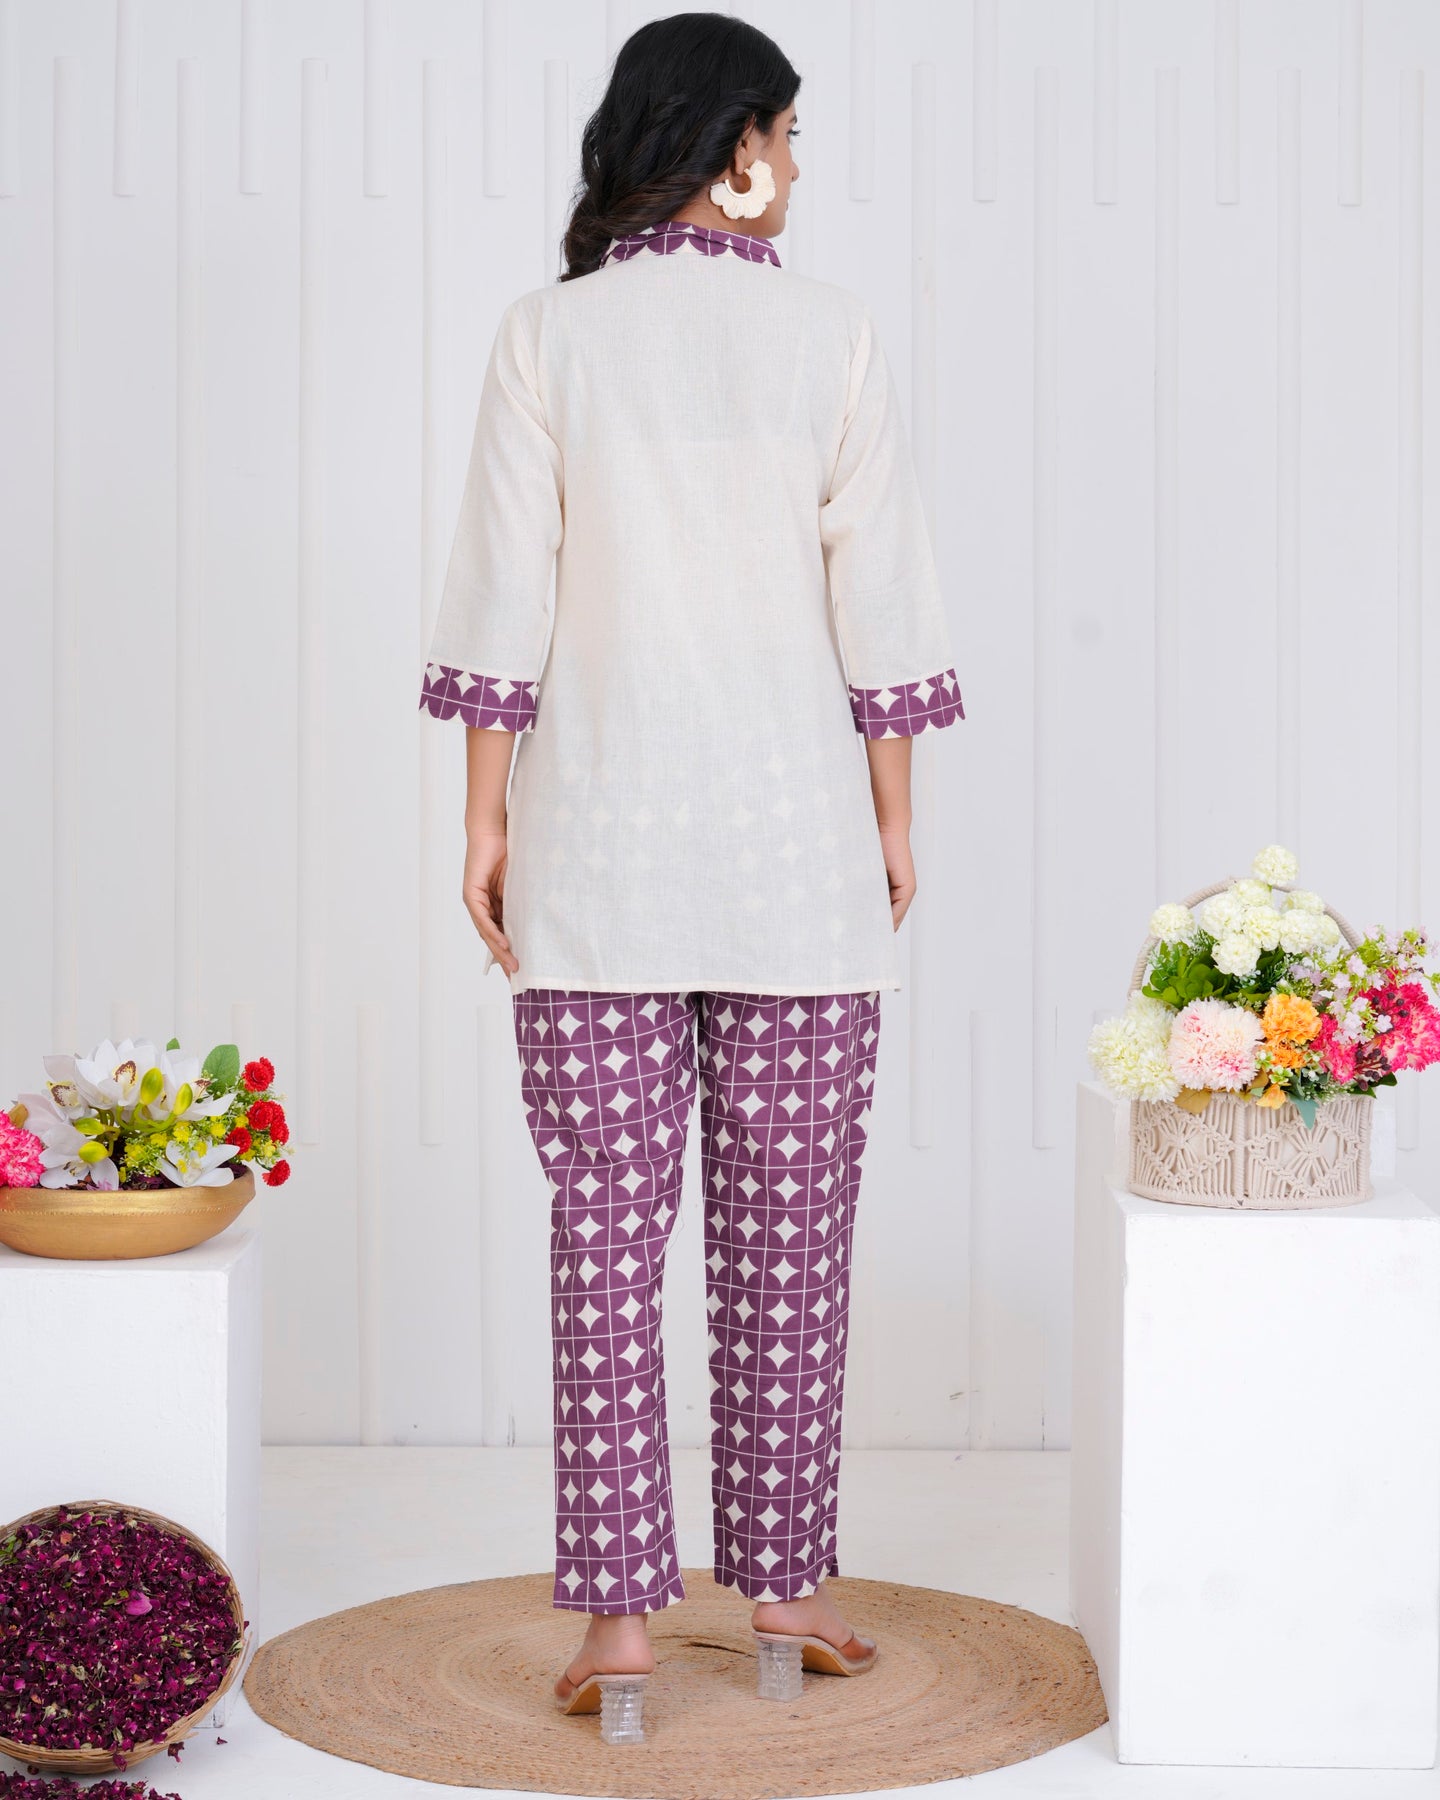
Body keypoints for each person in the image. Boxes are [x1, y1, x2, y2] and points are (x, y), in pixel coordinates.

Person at [418, 10, 964, 1734]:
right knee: (793, 1244)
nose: (795, 168)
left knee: (603, 1239)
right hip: (801, 860)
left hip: (599, 856)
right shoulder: (832, 334)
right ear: (735, 144)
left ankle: (620, 1630)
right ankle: (783, 1594)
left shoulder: (549, 335)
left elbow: (502, 589)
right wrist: (891, 816)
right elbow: (882, 596)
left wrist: (485, 817)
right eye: (787, 137)